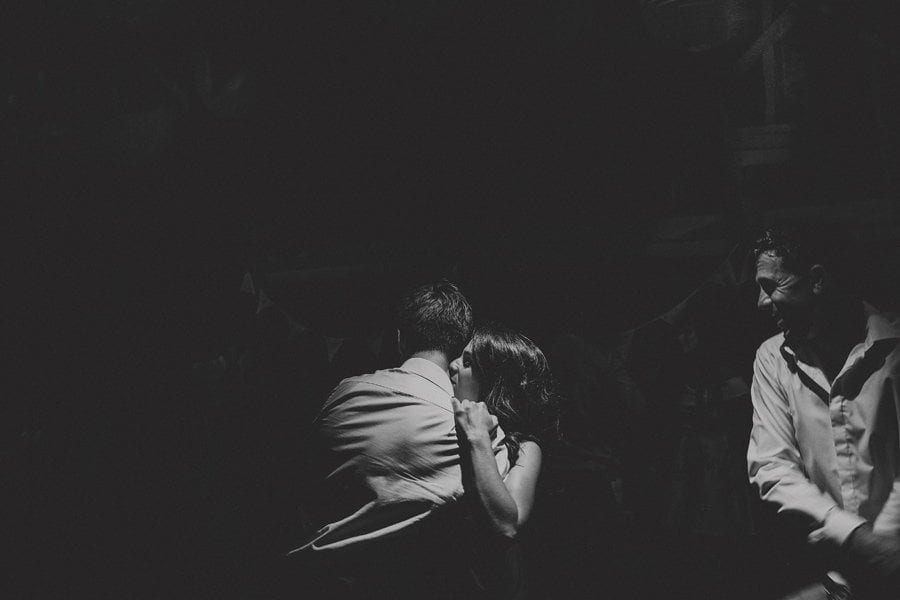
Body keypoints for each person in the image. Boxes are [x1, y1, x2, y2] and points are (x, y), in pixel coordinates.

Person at [285, 280, 510, 598]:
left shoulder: (345, 394)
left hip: (318, 579)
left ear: (400, 338)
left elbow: (302, 478)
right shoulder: (480, 433)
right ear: (460, 348)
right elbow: (499, 527)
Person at [747, 224, 900, 599]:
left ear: (816, 280)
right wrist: (855, 538)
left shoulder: (894, 352)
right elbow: (771, 465)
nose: (761, 303)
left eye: (771, 286)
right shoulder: (772, 358)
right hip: (847, 571)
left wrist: (882, 544)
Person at [450, 324, 559, 599]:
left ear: (492, 379)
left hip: (491, 584)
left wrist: (477, 438)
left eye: (467, 362)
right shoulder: (441, 421)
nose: (452, 365)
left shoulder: (525, 448)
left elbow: (507, 524)